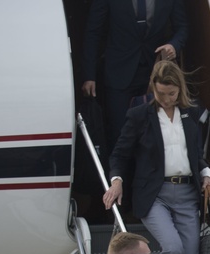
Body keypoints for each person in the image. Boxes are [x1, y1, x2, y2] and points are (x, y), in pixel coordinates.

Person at [104, 60, 210, 254]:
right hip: (155, 195)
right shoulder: (140, 116)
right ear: (153, 87)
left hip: (187, 194)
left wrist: (206, 175)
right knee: (173, 248)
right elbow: (120, 153)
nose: (166, 99)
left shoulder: (191, 116)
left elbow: (196, 158)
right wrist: (116, 181)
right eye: (161, 93)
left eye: (172, 93)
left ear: (180, 89)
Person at [81, 0, 189, 151]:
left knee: (153, 134)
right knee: (120, 134)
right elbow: (93, 31)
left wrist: (173, 45)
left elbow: (182, 27)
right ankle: (119, 174)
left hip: (155, 76)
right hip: (118, 73)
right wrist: (89, 75)